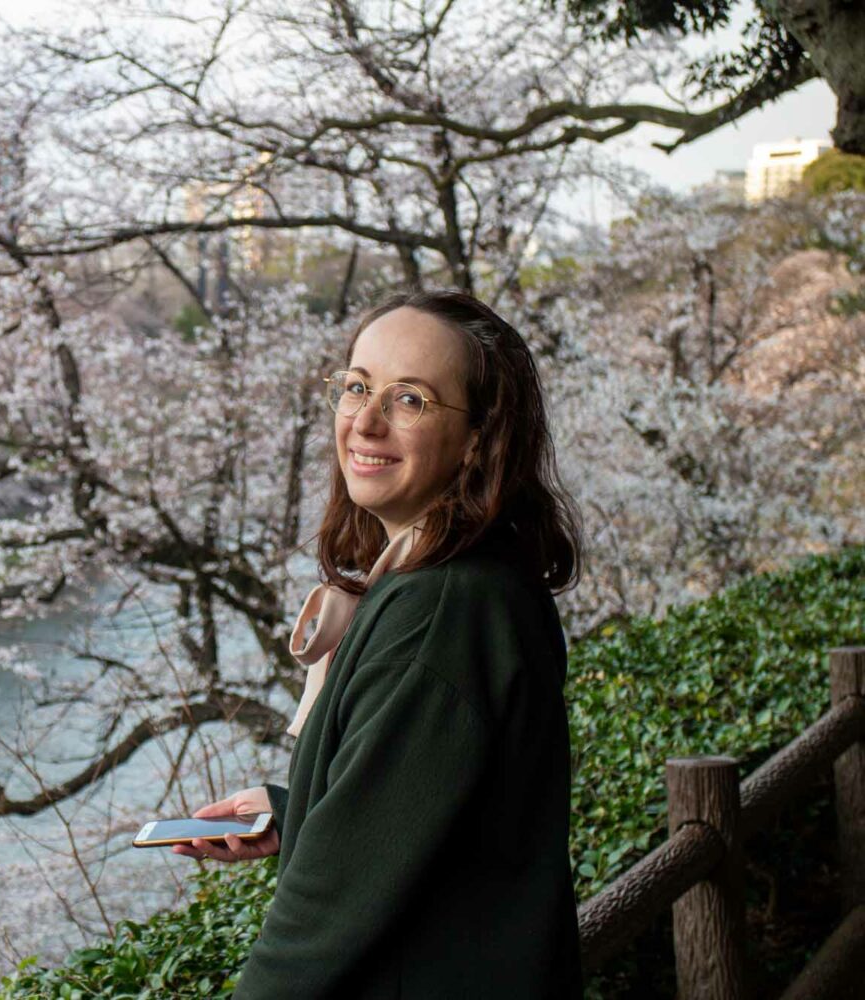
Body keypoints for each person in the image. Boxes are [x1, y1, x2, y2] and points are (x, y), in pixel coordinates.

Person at [172, 290, 584, 998]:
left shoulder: (440, 612)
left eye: (410, 400)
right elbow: (448, 804)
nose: (365, 421)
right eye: (358, 387)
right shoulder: (474, 575)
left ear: (480, 436)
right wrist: (296, 809)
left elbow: (319, 920)